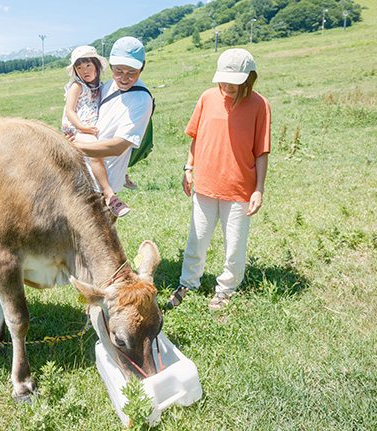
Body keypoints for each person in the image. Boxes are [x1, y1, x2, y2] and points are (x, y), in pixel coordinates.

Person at [168, 48, 270, 310]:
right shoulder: (207, 97)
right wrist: (188, 168)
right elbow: (195, 137)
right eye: (223, 79)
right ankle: (188, 282)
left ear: (249, 78)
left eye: (234, 81)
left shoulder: (260, 105)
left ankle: (226, 289)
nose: (227, 85)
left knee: (234, 244)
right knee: (197, 239)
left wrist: (258, 190)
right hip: (205, 184)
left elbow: (261, 152)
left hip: (239, 189)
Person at [73, 37, 153, 219]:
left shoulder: (141, 100)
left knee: (100, 242)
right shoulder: (108, 86)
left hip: (104, 185)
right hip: (82, 175)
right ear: (110, 66)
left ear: (143, 66)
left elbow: (118, 147)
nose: (124, 78)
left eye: (132, 72)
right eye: (118, 71)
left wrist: (73, 147)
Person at [62, 46, 129, 217]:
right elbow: (70, 111)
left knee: (117, 141)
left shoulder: (99, 87)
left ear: (97, 66)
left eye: (88, 65)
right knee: (95, 149)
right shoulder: (77, 86)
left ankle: (121, 176)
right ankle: (109, 194)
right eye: (79, 67)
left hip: (90, 129)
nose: (84, 70)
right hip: (78, 129)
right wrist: (82, 128)